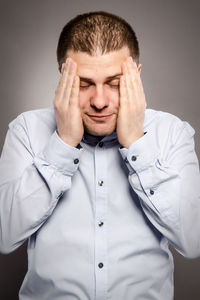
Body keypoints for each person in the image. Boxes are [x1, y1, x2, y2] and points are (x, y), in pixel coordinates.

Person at [0, 11, 200, 300]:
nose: (99, 101)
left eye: (114, 82)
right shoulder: (27, 131)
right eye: (83, 83)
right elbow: (5, 236)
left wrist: (136, 144)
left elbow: (193, 242)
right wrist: (63, 144)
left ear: (136, 77)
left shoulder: (172, 133)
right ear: (63, 78)